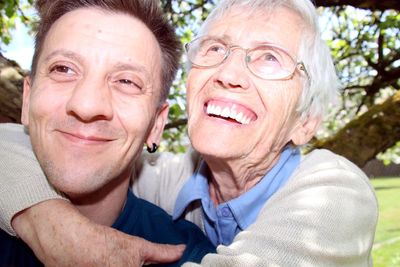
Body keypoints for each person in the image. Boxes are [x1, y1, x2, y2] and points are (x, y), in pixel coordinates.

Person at [0, 0, 378, 266]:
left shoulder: (334, 193)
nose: (228, 74)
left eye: (269, 57)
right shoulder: (161, 177)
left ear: (306, 122)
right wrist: (44, 218)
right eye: (216, 48)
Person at [0, 0, 217, 266]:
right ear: (27, 99)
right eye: (64, 69)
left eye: (127, 81)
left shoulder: (190, 255)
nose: (87, 105)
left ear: (156, 126)